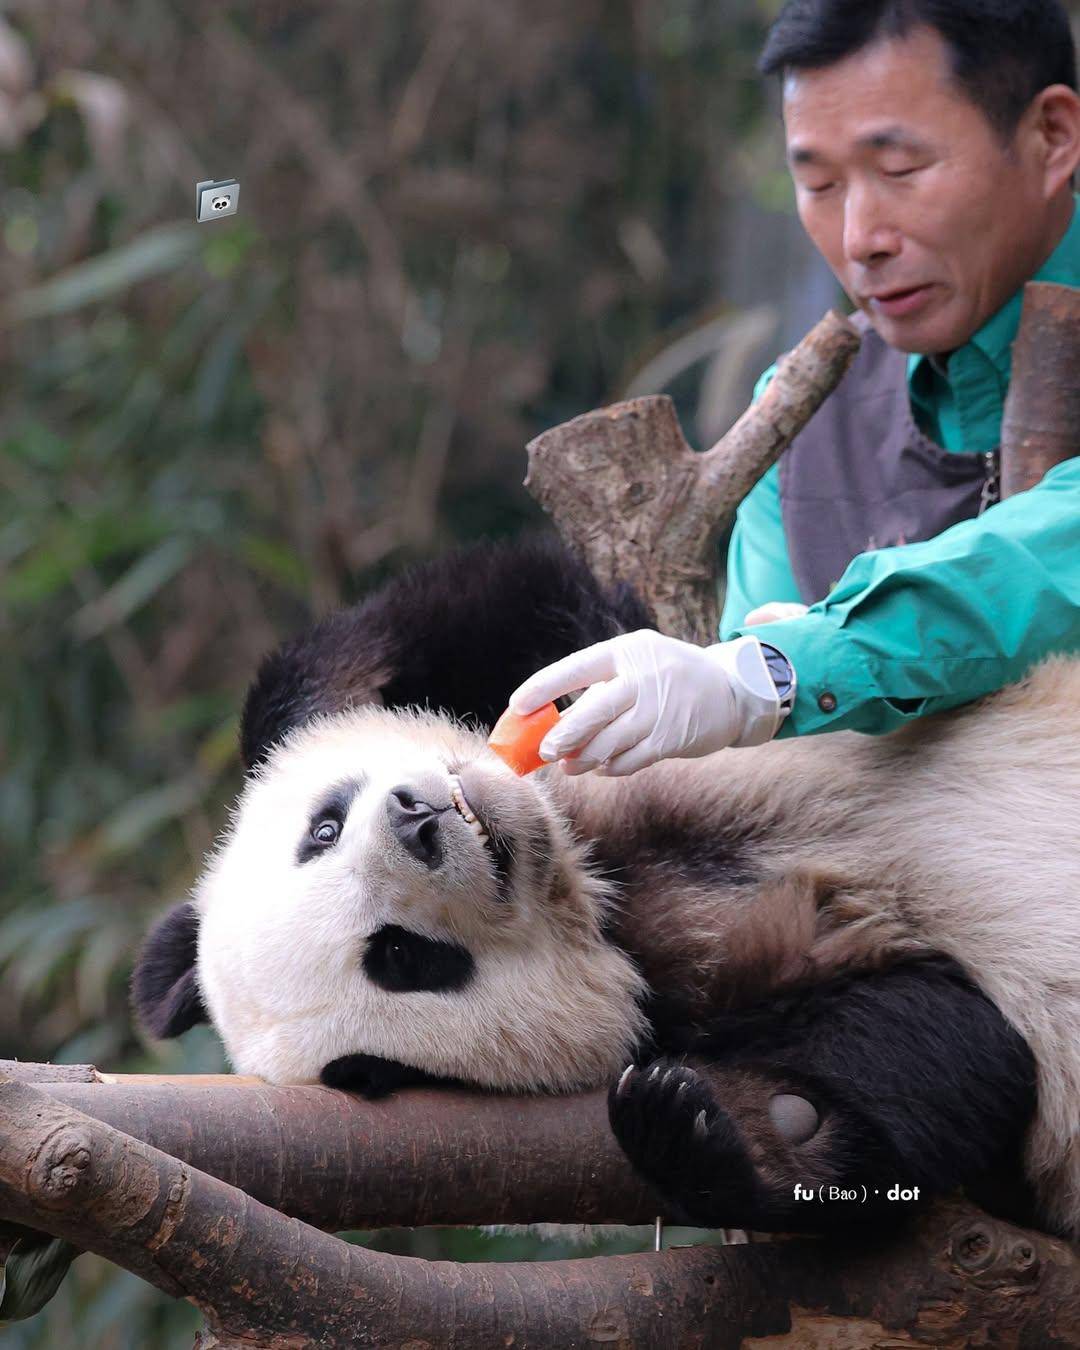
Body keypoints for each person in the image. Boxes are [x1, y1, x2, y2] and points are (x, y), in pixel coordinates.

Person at [508, 0, 1080, 778]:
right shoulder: (807, 424)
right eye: (818, 184)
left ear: (1051, 136)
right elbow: (768, 771)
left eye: (902, 170)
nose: (860, 239)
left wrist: (785, 668)